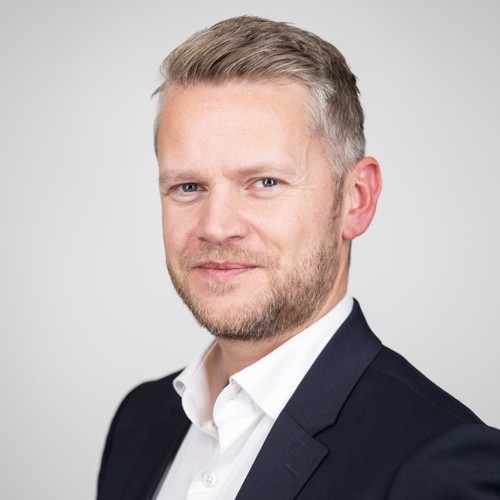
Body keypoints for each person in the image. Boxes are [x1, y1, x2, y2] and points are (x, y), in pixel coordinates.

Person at [97, 16, 500, 500]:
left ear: (356, 199)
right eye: (188, 186)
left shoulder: (439, 466)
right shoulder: (141, 421)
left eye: (265, 182)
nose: (216, 226)